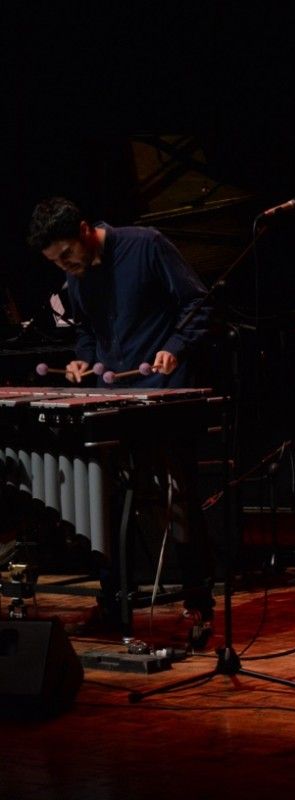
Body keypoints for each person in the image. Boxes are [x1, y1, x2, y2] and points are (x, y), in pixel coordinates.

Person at [26, 197, 215, 643]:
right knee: (105, 504)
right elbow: (89, 332)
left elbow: (197, 304)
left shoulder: (146, 245)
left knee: (177, 502)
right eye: (56, 262)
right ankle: (114, 601)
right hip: (115, 400)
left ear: (86, 229)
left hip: (166, 396)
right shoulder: (77, 279)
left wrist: (176, 346)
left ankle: (198, 605)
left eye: (68, 255)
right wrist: (82, 362)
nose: (66, 267)